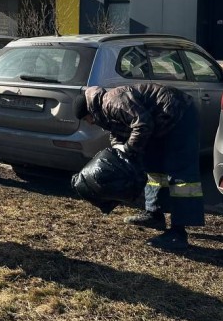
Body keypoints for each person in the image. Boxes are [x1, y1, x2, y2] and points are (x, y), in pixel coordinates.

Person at [73, 83, 204, 250]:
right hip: (160, 124)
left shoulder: (113, 101)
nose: (89, 123)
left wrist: (129, 150)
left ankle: (178, 233)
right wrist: (118, 154)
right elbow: (118, 132)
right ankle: (154, 214)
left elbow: (143, 124)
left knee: (181, 176)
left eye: (86, 119)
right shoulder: (103, 111)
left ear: (90, 111)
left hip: (179, 116)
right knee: (153, 168)